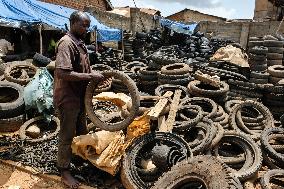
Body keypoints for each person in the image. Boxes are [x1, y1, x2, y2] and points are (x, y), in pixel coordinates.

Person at [54, 11, 104, 188]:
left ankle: (78, 157)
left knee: (81, 130)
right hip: (68, 98)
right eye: (83, 25)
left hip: (80, 96)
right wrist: (90, 76)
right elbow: (62, 73)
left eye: (88, 26)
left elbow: (82, 68)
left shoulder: (80, 43)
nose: (86, 28)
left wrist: (93, 76)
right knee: (67, 135)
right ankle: (64, 171)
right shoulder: (66, 43)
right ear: (72, 23)